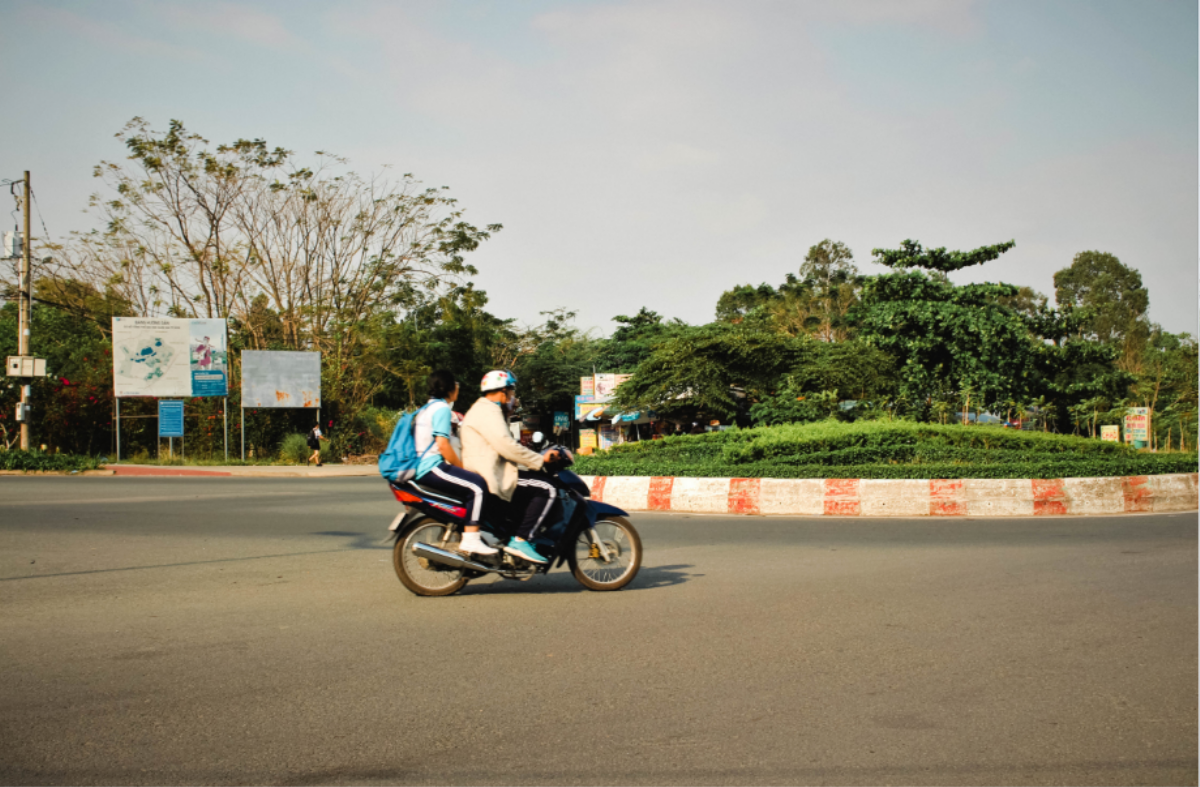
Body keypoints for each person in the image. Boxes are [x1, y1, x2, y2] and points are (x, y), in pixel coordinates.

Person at [461, 370, 561, 565]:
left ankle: (513, 535)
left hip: (490, 469)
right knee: (547, 488)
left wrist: (507, 412)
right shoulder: (488, 411)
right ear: (502, 393)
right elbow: (506, 445)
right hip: (490, 473)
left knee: (532, 485)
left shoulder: (487, 410)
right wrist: (539, 460)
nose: (513, 398)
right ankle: (521, 540)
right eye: (512, 393)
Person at [411, 370, 497, 555]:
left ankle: (474, 531)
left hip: (422, 465)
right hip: (432, 467)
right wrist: (461, 467)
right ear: (448, 388)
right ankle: (472, 539)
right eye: (455, 384)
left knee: (468, 487)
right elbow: (442, 445)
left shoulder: (425, 409)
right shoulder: (442, 409)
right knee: (478, 485)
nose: (457, 387)